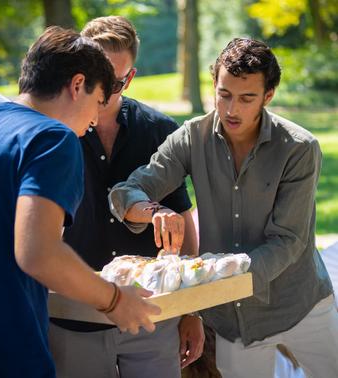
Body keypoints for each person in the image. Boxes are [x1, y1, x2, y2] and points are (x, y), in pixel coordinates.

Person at [109, 37, 338, 378]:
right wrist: (153, 211)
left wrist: (224, 279)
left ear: (268, 96)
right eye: (224, 94)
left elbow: (288, 240)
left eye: (247, 99)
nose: (232, 110)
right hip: (233, 321)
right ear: (214, 84)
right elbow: (128, 191)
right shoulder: (191, 137)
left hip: (300, 304)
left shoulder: (299, 148)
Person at [0, 26, 160, 378]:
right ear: (77, 84)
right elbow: (39, 252)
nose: (96, 119)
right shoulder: (52, 138)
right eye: (99, 102)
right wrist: (115, 300)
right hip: (4, 350)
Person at [48, 16, 203, 378]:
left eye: (115, 81)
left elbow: (184, 217)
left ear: (131, 77)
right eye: (96, 78)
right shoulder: (55, 134)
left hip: (152, 316)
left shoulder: (160, 130)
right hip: (75, 320)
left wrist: (191, 310)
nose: (104, 91)